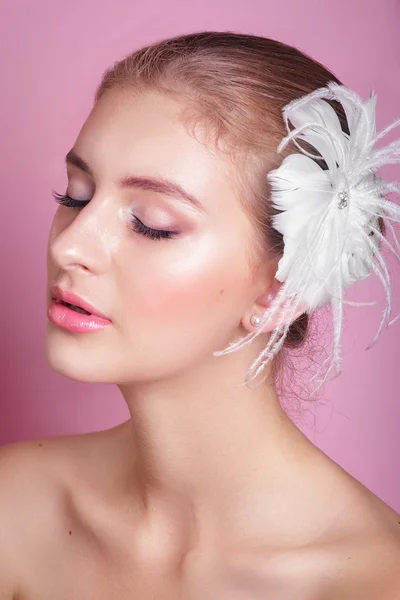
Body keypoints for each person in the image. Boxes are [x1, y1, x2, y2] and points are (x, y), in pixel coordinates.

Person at [1, 31, 399, 599]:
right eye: (76, 195)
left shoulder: (373, 583)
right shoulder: (15, 508)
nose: (70, 247)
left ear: (281, 290)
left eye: (151, 223)